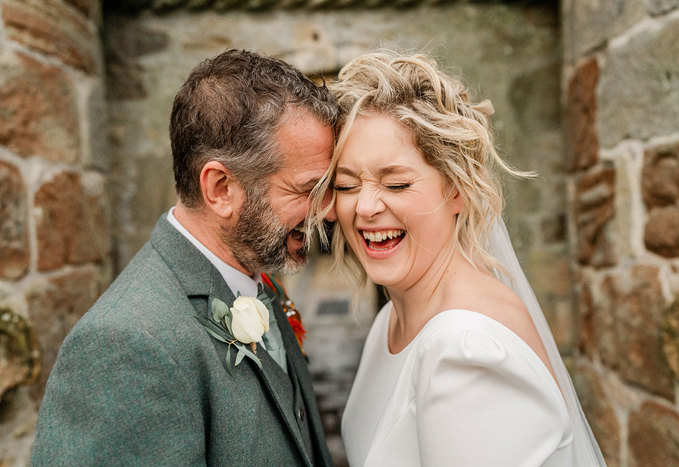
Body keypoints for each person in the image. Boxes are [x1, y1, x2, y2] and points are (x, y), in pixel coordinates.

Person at [32, 49, 338, 466]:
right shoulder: (125, 346)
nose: (328, 210)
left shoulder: (254, 281)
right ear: (220, 189)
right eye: (306, 189)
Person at [310, 52, 605, 466]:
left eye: (396, 183)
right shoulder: (390, 322)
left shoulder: (466, 352)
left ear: (457, 190)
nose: (366, 207)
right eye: (346, 185)